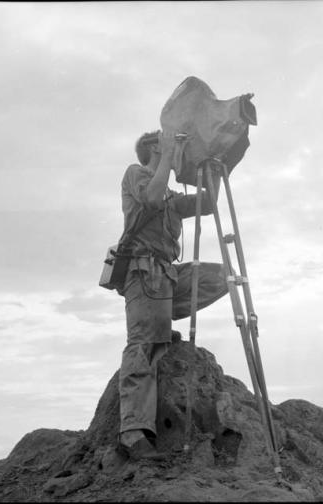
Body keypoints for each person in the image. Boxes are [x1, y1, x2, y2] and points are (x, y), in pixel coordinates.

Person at [117, 130, 229, 460]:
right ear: (153, 147)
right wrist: (169, 155)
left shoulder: (169, 193)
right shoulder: (137, 174)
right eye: (167, 142)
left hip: (167, 274)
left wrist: (214, 168)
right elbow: (151, 200)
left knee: (223, 277)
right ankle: (134, 433)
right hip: (145, 272)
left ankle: (162, 322)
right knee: (145, 345)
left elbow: (207, 203)